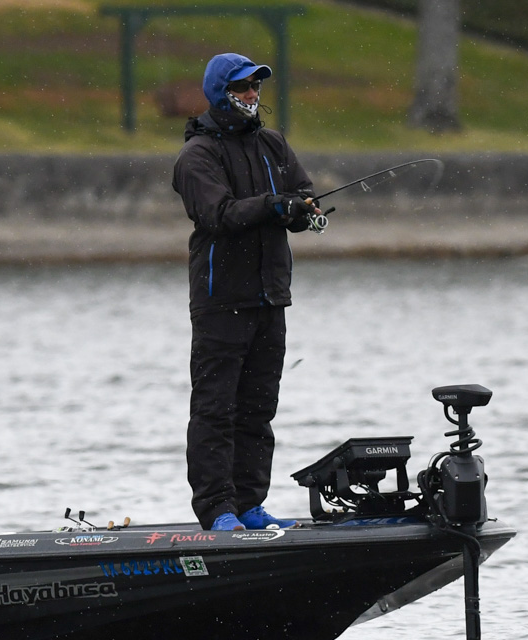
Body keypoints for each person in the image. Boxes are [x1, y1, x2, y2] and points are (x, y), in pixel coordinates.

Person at [172, 53, 323, 531]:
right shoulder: (197, 156)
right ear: (221, 93)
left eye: (255, 86)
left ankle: (250, 504)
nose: (252, 95)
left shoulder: (273, 144)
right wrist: (275, 205)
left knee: (259, 410)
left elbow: (300, 192)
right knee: (215, 410)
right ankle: (217, 509)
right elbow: (220, 214)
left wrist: (301, 211)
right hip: (220, 300)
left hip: (270, 297)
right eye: (242, 87)